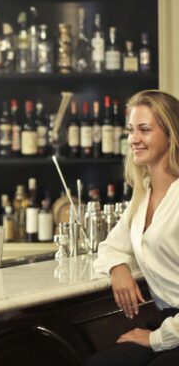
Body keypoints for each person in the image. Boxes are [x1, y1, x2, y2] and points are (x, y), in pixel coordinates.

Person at [87, 90, 179, 365]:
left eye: (145, 130)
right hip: (167, 324)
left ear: (172, 133)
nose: (133, 139)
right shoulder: (143, 195)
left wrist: (155, 339)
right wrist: (118, 267)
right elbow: (110, 246)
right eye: (131, 130)